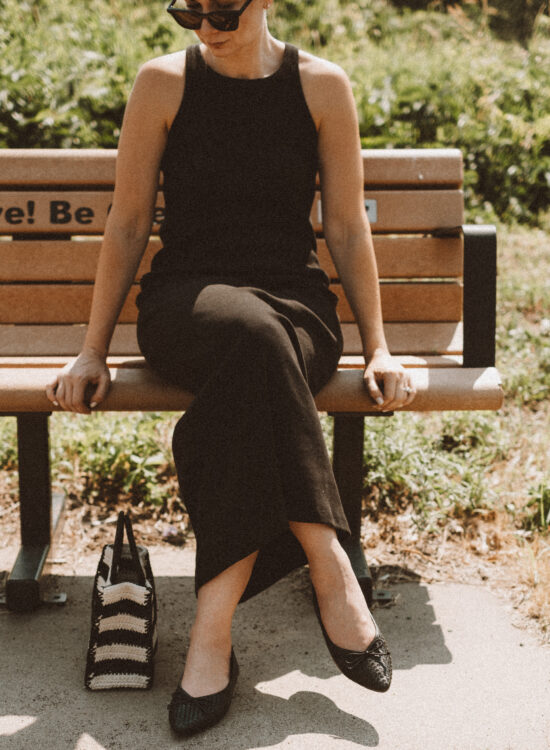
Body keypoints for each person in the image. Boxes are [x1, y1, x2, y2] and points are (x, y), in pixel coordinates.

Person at [46, 0, 416, 737]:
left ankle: (213, 630)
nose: (206, 28)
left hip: (296, 304)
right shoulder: (162, 83)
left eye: (221, 12)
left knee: (262, 345)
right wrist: (93, 348)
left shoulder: (322, 85)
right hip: (189, 301)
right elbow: (126, 222)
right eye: (188, 12)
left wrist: (377, 344)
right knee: (250, 336)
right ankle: (327, 559)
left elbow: (344, 224)